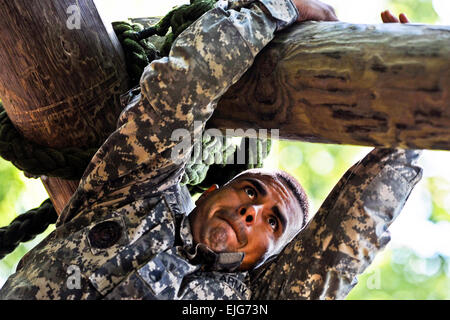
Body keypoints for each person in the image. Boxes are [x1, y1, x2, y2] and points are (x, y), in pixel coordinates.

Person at [0, 1, 421, 300]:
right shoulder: (132, 195)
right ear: (210, 190)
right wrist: (275, 6)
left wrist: (406, 123)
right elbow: (177, 95)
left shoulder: (253, 298)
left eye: (273, 222)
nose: (253, 212)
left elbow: (343, 247)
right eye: (252, 191)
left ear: (271, 261)